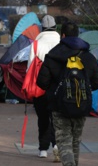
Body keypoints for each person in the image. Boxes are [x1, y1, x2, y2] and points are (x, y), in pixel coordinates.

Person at [36, 21, 98, 166]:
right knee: (75, 140)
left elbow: (41, 82)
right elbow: (97, 82)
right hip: (81, 104)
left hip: (58, 105)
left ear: (62, 35)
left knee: (63, 139)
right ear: (78, 35)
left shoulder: (53, 55)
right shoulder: (88, 56)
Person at [26, 15, 60, 162]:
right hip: (58, 86)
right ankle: (57, 145)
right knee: (57, 118)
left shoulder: (35, 44)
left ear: (42, 28)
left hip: (40, 86)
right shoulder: (61, 42)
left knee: (43, 118)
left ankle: (43, 149)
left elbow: (29, 68)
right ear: (55, 27)